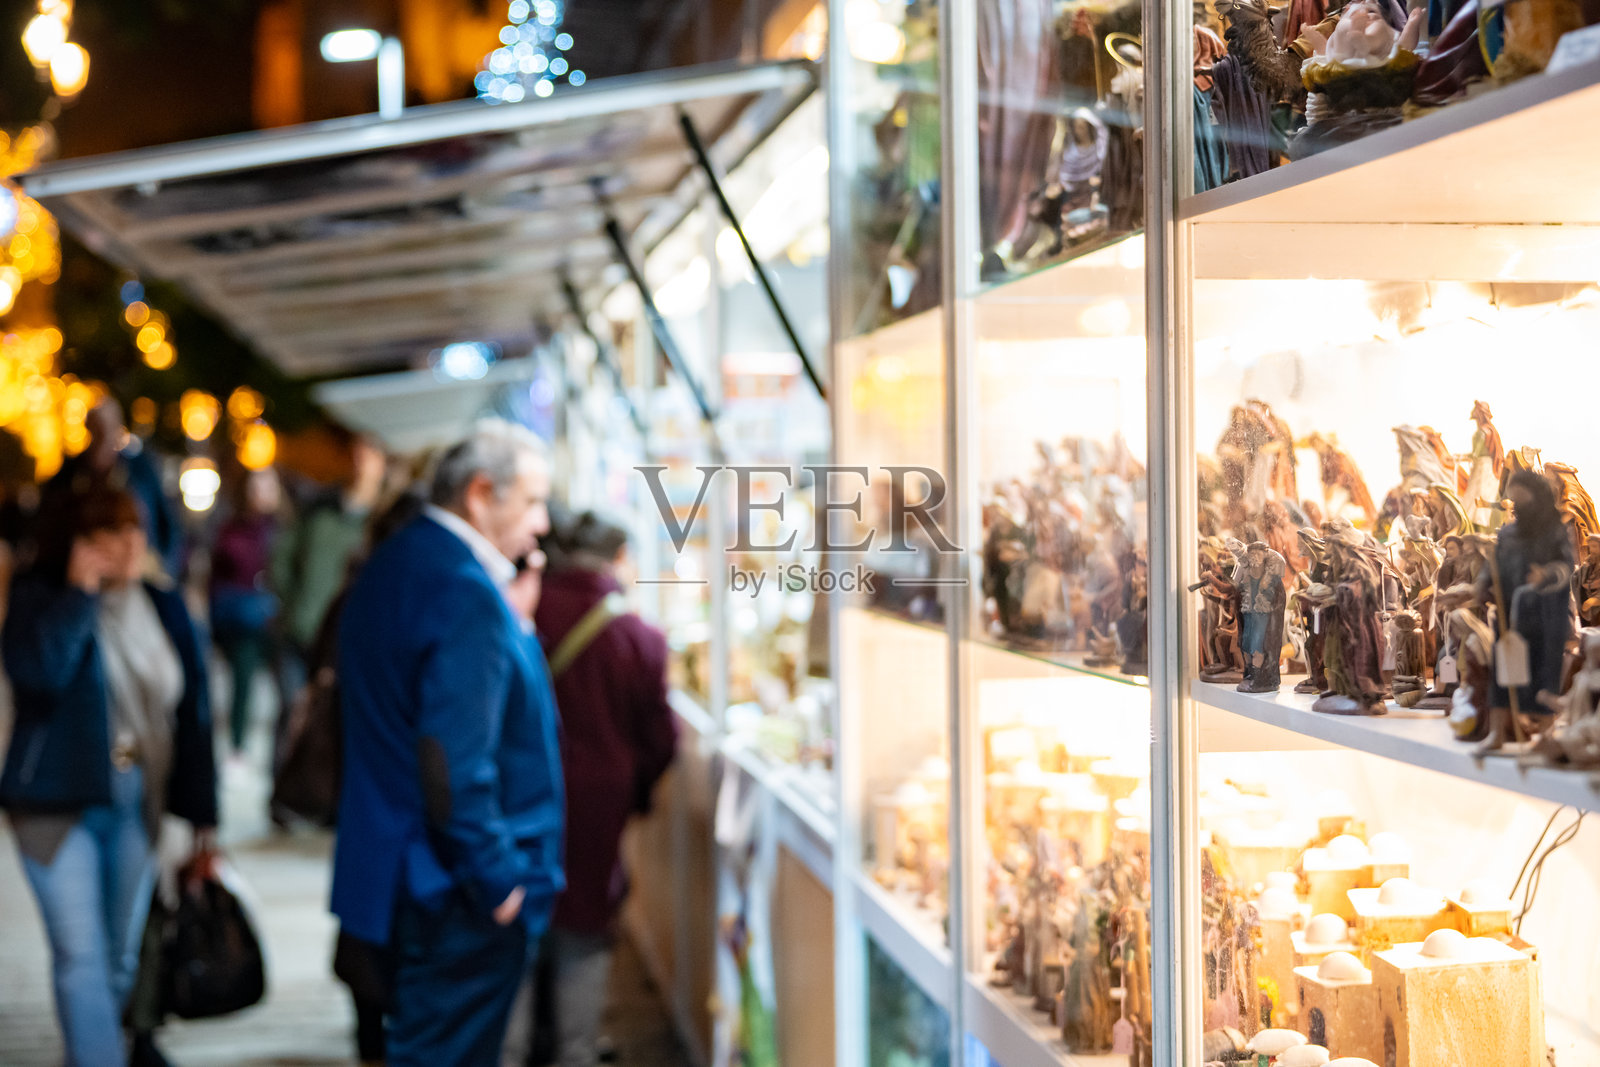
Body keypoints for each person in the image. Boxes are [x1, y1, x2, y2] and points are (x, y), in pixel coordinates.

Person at [332, 419, 565, 1067]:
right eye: (533, 500)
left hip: (405, 866)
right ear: (480, 494)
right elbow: (452, 762)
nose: (543, 523)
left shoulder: (400, 561)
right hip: (449, 885)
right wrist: (500, 881)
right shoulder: (461, 589)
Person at [0, 486, 218, 1067]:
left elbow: (195, 713)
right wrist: (78, 595)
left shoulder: (163, 606)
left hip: (136, 799)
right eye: (105, 536)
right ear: (74, 543)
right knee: (81, 956)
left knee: (119, 957)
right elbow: (39, 676)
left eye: (133, 531)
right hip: (55, 802)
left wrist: (203, 817)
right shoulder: (38, 597)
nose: (124, 547)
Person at [503, 511, 678, 1067]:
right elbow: (660, 738)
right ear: (617, 559)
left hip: (517, 800)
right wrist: (633, 790)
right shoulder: (637, 636)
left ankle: (512, 1049)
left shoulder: (522, 612)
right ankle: (573, 1050)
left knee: (518, 925)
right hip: (597, 809)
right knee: (583, 929)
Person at [273, 435, 388, 694]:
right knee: (292, 713)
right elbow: (282, 559)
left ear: (381, 464)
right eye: (355, 456)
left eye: (367, 457)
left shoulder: (383, 521)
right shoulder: (318, 510)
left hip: (346, 640)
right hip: (302, 629)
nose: (360, 464)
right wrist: (293, 604)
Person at [42, 398, 183, 578]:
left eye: (109, 427)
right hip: (79, 572)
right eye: (98, 428)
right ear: (88, 430)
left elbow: (166, 521)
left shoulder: (141, 470)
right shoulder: (70, 474)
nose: (104, 435)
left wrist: (164, 566)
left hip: (136, 574)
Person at [210, 468, 282, 756]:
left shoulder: (282, 530)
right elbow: (217, 575)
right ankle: (238, 744)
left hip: (276, 619)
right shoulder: (232, 529)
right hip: (242, 621)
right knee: (242, 680)